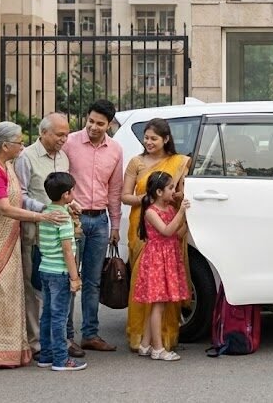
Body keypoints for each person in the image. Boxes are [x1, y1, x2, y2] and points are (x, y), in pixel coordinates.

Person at [0, 122, 68, 368]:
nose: (22, 146)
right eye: (19, 142)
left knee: (8, 291)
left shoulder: (7, 165)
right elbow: (3, 208)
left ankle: (5, 349)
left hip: (8, 235)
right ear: (4, 145)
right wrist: (41, 217)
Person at [14, 113, 86, 361]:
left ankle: (61, 340)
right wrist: (45, 210)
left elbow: (62, 193)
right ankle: (37, 343)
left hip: (61, 229)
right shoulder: (26, 157)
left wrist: (71, 204)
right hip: (36, 232)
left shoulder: (63, 157)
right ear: (43, 132)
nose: (64, 139)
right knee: (35, 289)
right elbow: (20, 195)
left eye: (66, 134)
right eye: (59, 134)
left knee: (60, 290)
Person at [121, 118, 191, 352]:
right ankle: (141, 338)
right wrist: (149, 198)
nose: (148, 142)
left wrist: (176, 198)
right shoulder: (136, 162)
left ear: (166, 139)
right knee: (144, 282)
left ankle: (164, 338)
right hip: (143, 227)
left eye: (154, 138)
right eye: (146, 138)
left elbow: (181, 193)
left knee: (167, 282)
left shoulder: (179, 162)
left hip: (169, 222)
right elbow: (125, 196)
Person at [63, 99, 123, 352]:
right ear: (86, 118)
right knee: (70, 278)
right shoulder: (69, 143)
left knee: (93, 281)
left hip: (100, 221)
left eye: (100, 123)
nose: (94, 127)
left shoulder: (115, 150)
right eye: (91, 121)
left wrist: (115, 225)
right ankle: (66, 337)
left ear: (109, 125)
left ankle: (90, 334)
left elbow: (115, 190)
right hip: (72, 220)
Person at [132, 170, 191, 361]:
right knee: (158, 304)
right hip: (157, 261)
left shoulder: (170, 210)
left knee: (159, 304)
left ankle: (145, 344)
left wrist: (187, 221)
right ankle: (158, 348)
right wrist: (181, 212)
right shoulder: (151, 212)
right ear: (159, 192)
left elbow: (177, 234)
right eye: (170, 188)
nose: (174, 191)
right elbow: (167, 231)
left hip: (167, 259)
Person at [37, 172, 87, 372]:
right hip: (60, 272)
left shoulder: (47, 213)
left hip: (45, 269)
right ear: (66, 194)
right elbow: (67, 250)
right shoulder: (63, 219)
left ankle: (46, 355)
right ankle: (61, 359)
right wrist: (75, 277)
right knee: (60, 317)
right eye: (72, 191)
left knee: (47, 315)